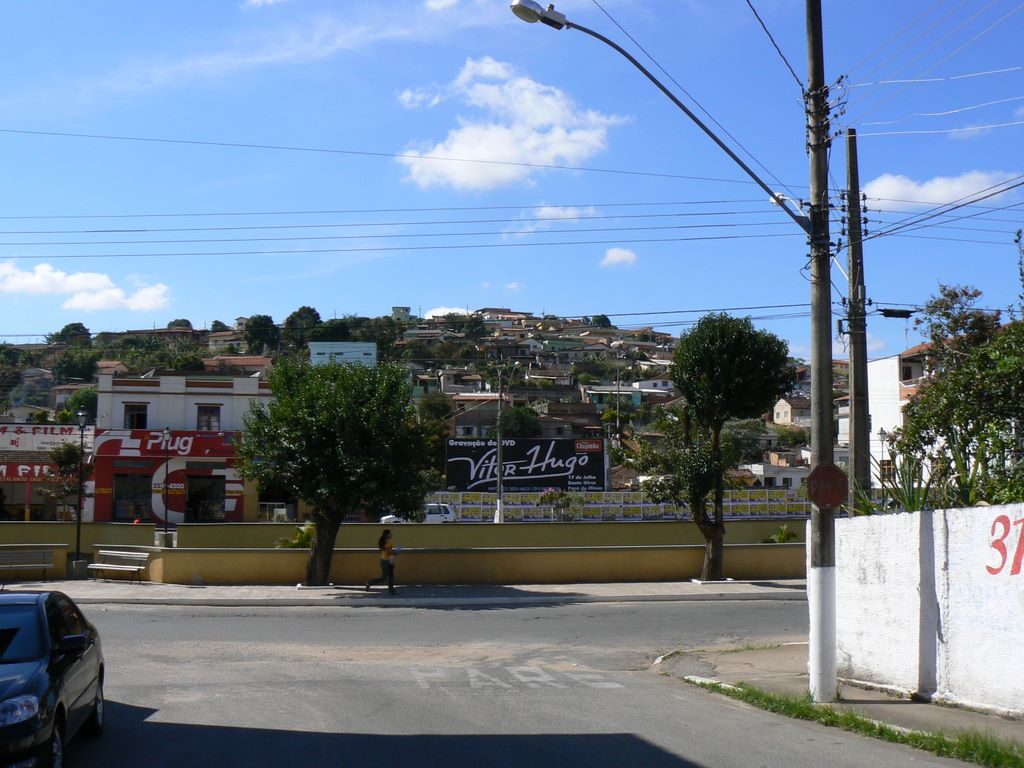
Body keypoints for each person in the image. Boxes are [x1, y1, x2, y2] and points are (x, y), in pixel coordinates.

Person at [366, 529, 398, 595]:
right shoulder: (388, 542)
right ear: (387, 535)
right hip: (386, 561)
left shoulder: (384, 541)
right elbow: (389, 551)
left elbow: (386, 551)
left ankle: (391, 590)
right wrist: (396, 552)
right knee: (385, 577)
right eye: (390, 533)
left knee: (391, 576)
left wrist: (393, 553)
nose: (391, 534)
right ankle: (370, 583)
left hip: (385, 560)